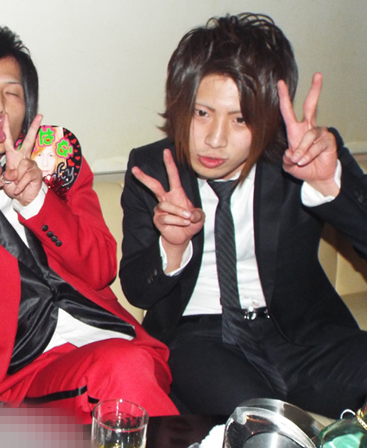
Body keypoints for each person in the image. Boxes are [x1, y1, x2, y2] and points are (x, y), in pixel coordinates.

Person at [0, 24, 178, 423]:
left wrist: (38, 202)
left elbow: (101, 269)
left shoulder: (56, 157)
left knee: (128, 365)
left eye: (12, 93)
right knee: (123, 370)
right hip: (31, 368)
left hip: (114, 337)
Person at [120, 13, 367, 417]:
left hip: (303, 337)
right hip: (201, 339)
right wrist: (171, 246)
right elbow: (137, 290)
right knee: (260, 427)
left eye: (240, 119)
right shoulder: (152, 169)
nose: (215, 139)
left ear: (268, 119)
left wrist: (330, 185)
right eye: (202, 113)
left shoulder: (301, 157)